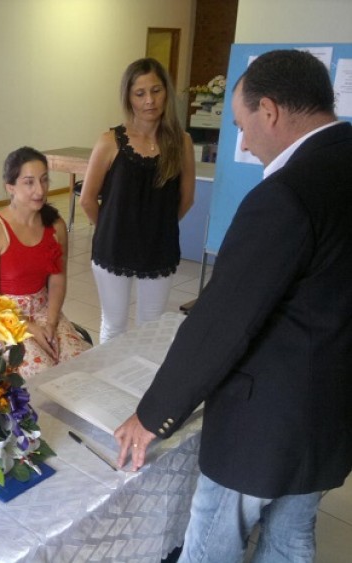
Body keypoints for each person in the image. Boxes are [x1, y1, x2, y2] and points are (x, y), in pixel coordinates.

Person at [115, 49, 352, 562]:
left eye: (243, 127)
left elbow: (223, 324)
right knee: (290, 537)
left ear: (269, 111)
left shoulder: (285, 195)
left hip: (266, 425)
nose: (243, 143)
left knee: (212, 545)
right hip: (333, 411)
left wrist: (152, 414)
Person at [80, 58, 195, 342]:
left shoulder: (181, 142)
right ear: (128, 98)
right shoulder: (109, 141)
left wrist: (156, 226)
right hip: (113, 247)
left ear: (166, 92)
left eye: (156, 91)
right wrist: (112, 227)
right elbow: (88, 199)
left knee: (150, 327)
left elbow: (186, 198)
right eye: (140, 93)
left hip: (159, 247)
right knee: (114, 326)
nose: (149, 101)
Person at [0, 147, 91, 378]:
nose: (40, 190)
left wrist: (51, 322)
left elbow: (57, 280)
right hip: (5, 319)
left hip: (44, 310)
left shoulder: (55, 225)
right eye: (29, 182)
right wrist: (32, 329)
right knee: (43, 373)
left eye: (44, 180)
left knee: (79, 363)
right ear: (10, 187)